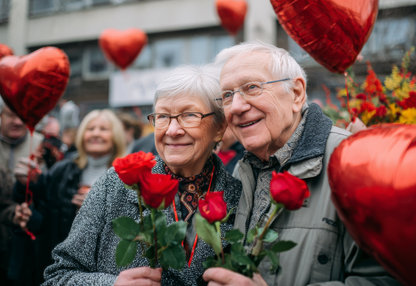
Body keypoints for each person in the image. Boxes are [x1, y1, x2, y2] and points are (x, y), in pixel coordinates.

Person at [202, 42, 400, 285]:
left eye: (252, 88)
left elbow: (387, 280)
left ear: (296, 94)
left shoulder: (356, 162)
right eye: (227, 95)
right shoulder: (240, 170)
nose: (236, 107)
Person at [42, 65, 242, 285]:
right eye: (163, 116)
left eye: (189, 115)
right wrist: (111, 284)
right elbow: (58, 275)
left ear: (220, 128)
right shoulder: (116, 184)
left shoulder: (238, 196)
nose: (172, 130)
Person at [13, 109, 127, 285]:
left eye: (103, 129)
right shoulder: (62, 170)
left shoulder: (128, 174)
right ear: (82, 134)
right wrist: (25, 183)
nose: (96, 133)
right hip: (63, 262)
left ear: (116, 136)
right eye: (90, 128)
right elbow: (42, 209)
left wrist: (97, 204)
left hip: (110, 268)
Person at [0, 99, 43, 284]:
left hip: (32, 243)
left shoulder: (44, 146)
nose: (17, 121)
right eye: (11, 114)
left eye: (22, 116)